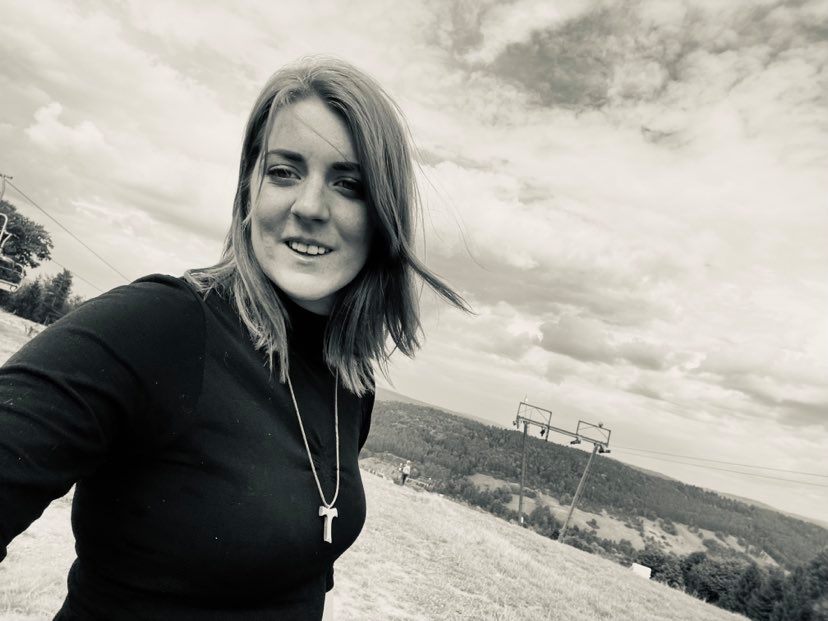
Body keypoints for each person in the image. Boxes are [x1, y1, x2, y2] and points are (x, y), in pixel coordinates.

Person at [0, 57, 467, 620]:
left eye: (348, 184)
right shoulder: (161, 325)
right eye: (284, 172)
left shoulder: (350, 381)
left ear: (384, 214)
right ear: (250, 189)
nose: (309, 207)